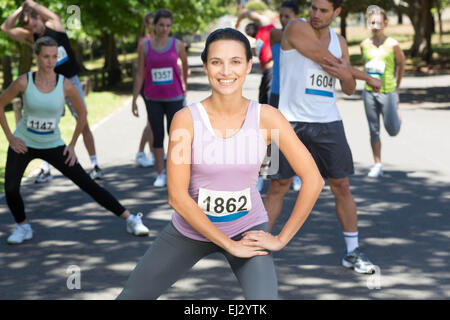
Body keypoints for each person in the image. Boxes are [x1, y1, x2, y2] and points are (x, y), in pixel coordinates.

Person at [116, 28, 324, 300]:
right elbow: (177, 198)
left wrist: (281, 238)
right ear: (205, 65)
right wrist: (229, 245)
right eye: (217, 62)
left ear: (250, 65)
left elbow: (314, 179)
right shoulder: (185, 119)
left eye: (236, 61)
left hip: (247, 229)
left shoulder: (268, 118)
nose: (226, 71)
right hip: (190, 230)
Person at [264, 0, 381, 274]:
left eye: (323, 10)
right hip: (288, 121)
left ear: (337, 12)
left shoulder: (339, 41)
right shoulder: (295, 27)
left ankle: (352, 252)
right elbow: (325, 60)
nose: (316, 14)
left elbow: (348, 88)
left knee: (342, 186)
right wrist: (367, 77)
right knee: (278, 186)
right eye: (313, 8)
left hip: (328, 122)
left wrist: (348, 74)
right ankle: (257, 251)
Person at [0, 37, 150, 245]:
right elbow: (1, 104)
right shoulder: (24, 81)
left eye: (54, 57)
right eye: (45, 57)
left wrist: (71, 146)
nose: (50, 61)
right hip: (24, 142)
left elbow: (82, 115)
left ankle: (131, 219)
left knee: (87, 183)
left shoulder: (66, 85)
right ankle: (22, 226)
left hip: (53, 145)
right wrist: (10, 137)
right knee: (10, 189)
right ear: (36, 56)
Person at [1, 0, 104, 182]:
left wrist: (30, 3)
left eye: (33, 24)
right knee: (45, 122)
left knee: (83, 120)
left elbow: (51, 15)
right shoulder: (31, 38)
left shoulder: (55, 26)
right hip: (49, 84)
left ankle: (95, 165)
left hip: (70, 81)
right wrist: (20, 10)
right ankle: (46, 168)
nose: (32, 29)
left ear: (38, 17)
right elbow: (5, 27)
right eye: (28, 27)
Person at [131, 9, 188, 187]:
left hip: (174, 97)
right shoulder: (145, 46)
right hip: (153, 98)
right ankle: (160, 173)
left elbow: (185, 66)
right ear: (154, 25)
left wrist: (184, 85)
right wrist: (134, 98)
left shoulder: (177, 45)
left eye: (168, 25)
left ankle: (176, 174)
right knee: (157, 135)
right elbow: (140, 73)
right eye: (161, 25)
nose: (165, 29)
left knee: (176, 136)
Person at [235, 6, 276, 192]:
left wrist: (238, 19)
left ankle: (288, 173)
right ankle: (265, 171)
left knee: (272, 126)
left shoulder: (268, 26)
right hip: (266, 75)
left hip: (273, 74)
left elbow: (249, 13)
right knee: (264, 126)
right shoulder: (259, 35)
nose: (250, 28)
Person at [361, 5, 405, 178]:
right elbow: (364, 67)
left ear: (385, 23)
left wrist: (397, 86)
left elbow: (402, 63)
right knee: (373, 129)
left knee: (393, 130)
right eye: (372, 22)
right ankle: (377, 163)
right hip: (369, 92)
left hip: (388, 91)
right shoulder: (364, 45)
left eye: (379, 22)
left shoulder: (393, 44)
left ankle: (397, 108)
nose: (375, 25)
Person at [269, 1, 302, 192]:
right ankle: (269, 174)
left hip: (296, 95)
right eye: (281, 16)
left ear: (296, 17)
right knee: (272, 136)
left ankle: (296, 174)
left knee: (295, 137)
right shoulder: (276, 34)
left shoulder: (302, 36)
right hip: (277, 93)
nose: (283, 20)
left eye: (287, 16)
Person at [134, 12, 156, 168]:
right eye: (151, 23)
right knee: (152, 121)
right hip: (147, 85)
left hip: (159, 87)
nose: (154, 26)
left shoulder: (163, 41)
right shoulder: (145, 42)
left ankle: (153, 152)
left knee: (153, 121)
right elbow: (140, 68)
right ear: (147, 25)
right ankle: (140, 152)